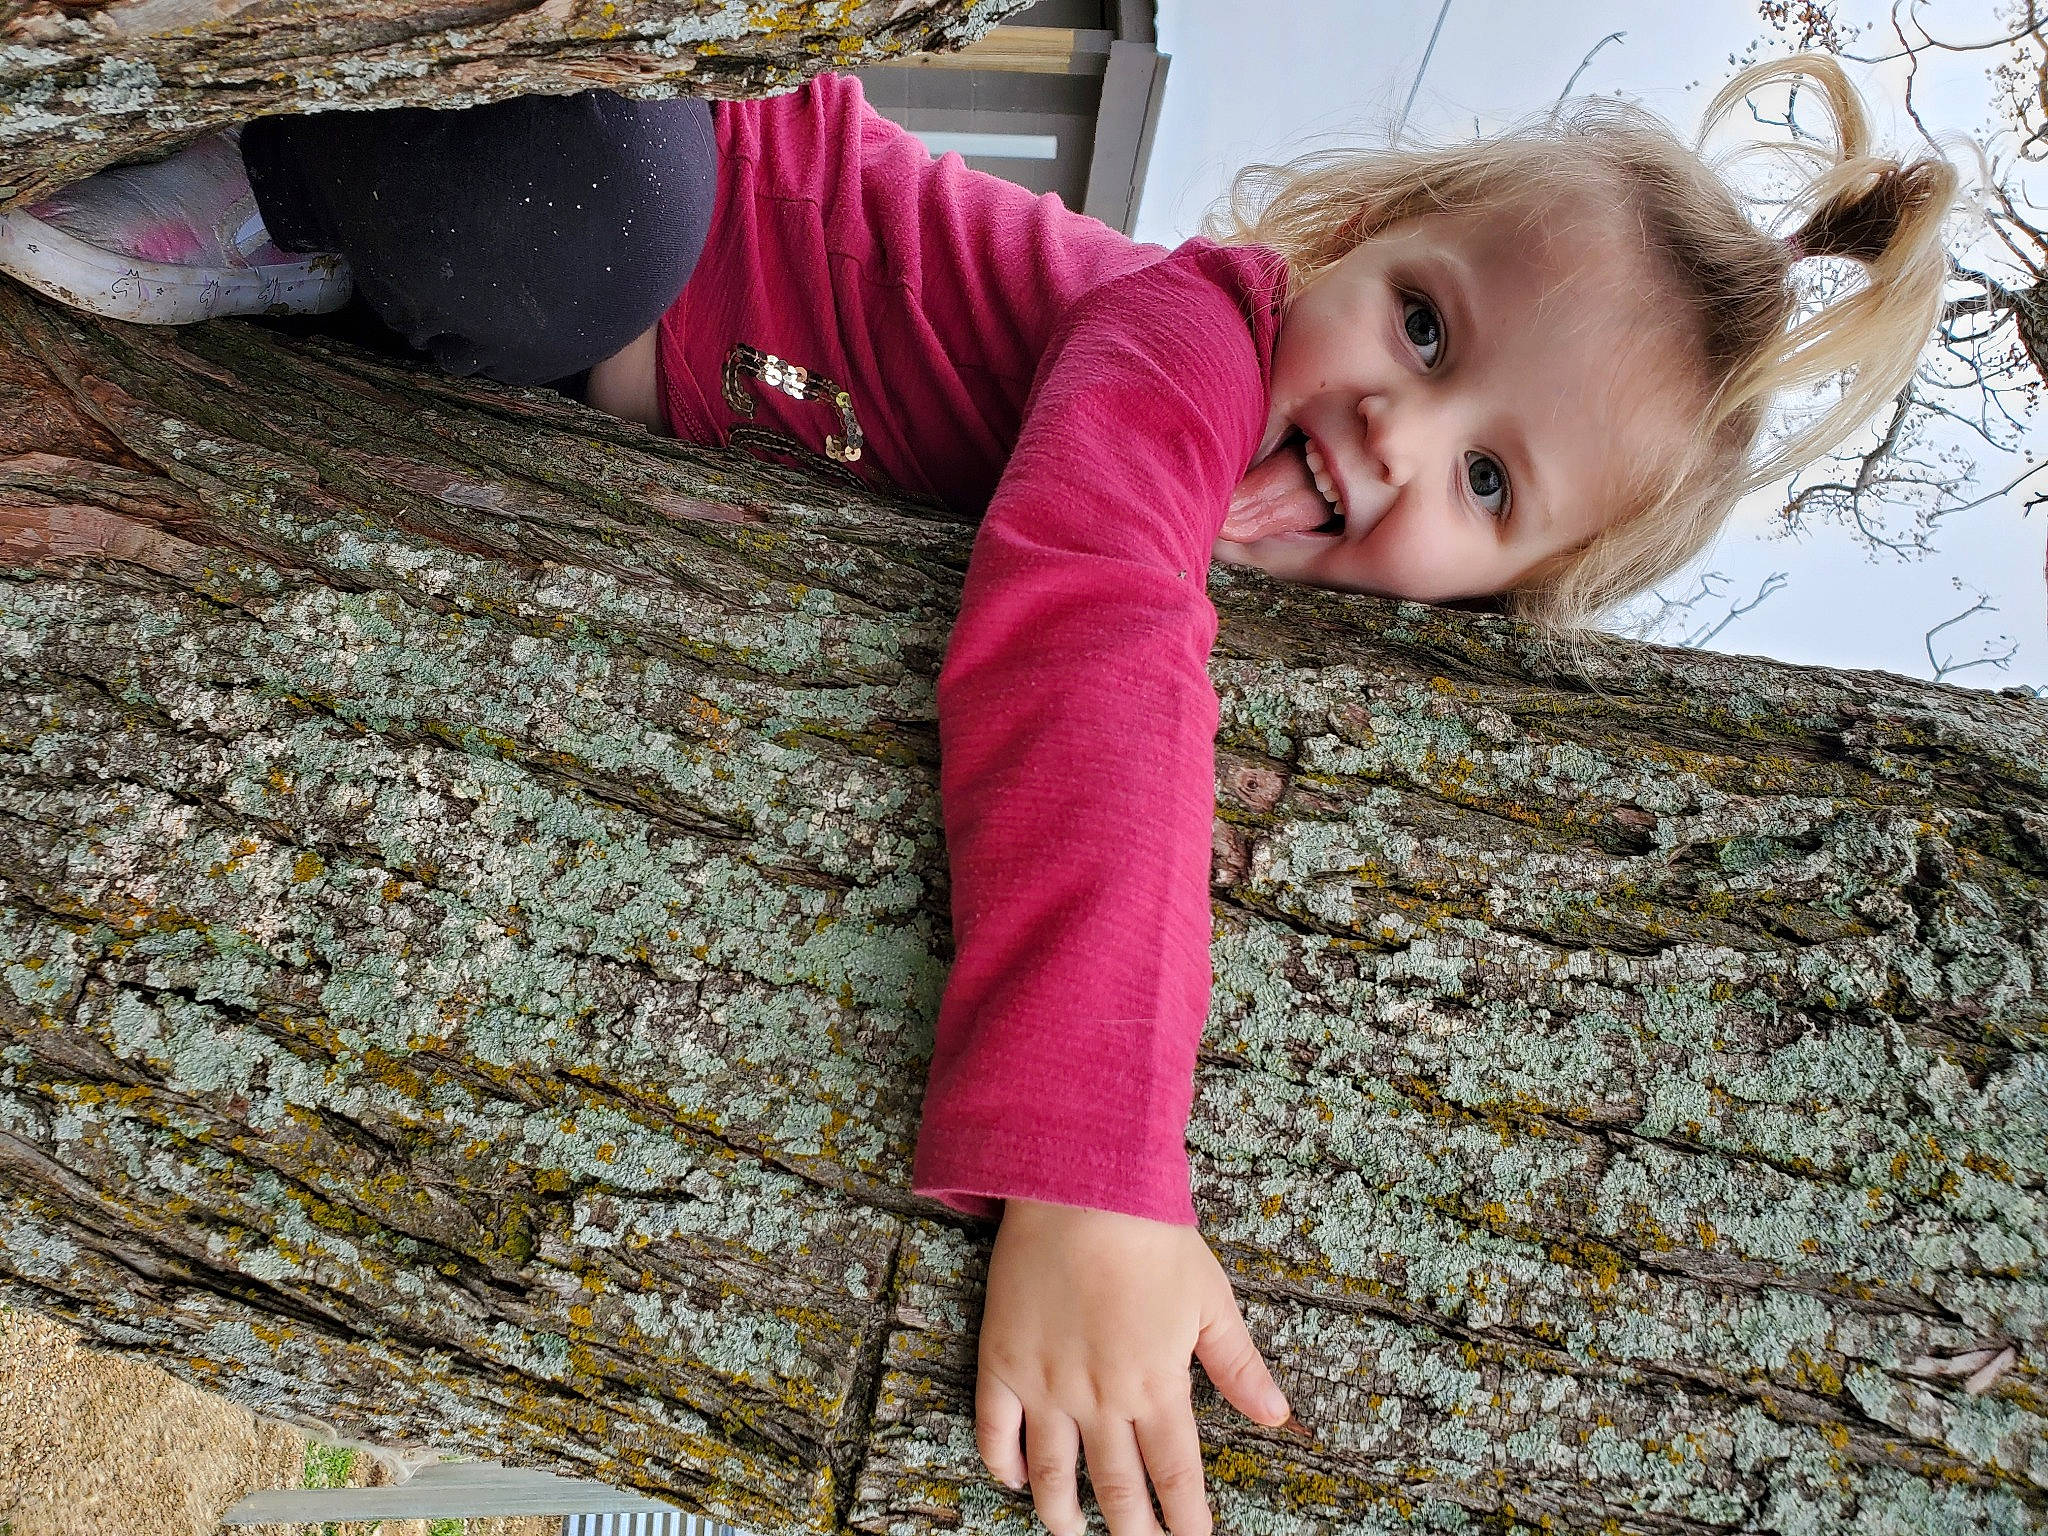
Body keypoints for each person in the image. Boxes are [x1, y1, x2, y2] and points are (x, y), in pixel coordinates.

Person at [0, 53, 1960, 1536]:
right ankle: (257, 185)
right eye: (1425, 325)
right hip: (677, 197)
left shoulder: (1296, 563)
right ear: (1349, 243)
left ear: (1508, 590)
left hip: (581, 333)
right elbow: (1090, 642)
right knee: (604, 187)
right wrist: (1094, 1165)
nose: (1395, 423)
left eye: (1485, 481)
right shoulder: (1191, 335)